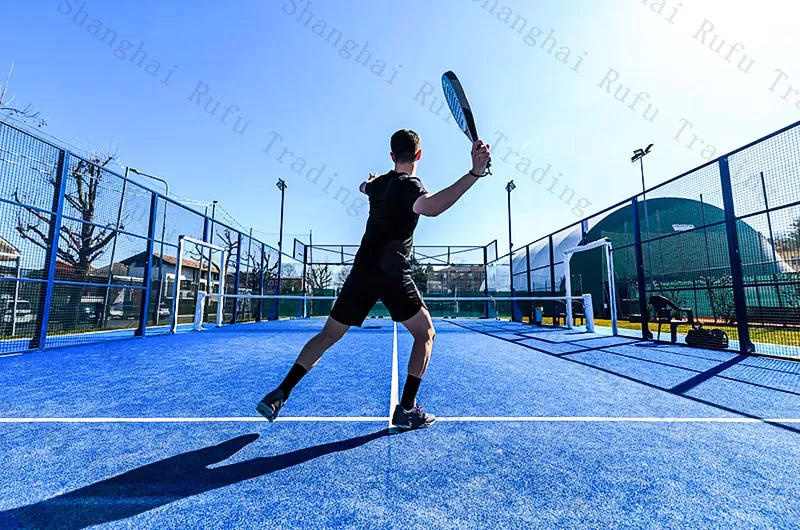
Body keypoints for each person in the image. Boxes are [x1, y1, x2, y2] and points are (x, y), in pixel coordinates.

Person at [256, 129, 491, 429]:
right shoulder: (411, 186)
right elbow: (431, 207)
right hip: (392, 273)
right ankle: (407, 409)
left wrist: (370, 181)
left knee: (327, 335)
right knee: (425, 334)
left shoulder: (378, 185)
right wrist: (474, 173)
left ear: (392, 156)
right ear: (418, 155)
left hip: (362, 270)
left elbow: (362, 186)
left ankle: (281, 392)